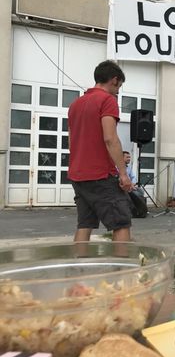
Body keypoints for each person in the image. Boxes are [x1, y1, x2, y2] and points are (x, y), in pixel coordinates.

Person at [68, 60, 132, 242]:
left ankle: (78, 267)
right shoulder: (107, 100)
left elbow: (72, 141)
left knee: (84, 224)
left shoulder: (76, 104)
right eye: (119, 85)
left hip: (78, 175)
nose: (118, 90)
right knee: (121, 224)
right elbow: (110, 138)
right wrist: (123, 174)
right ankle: (123, 270)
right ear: (114, 80)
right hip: (101, 175)